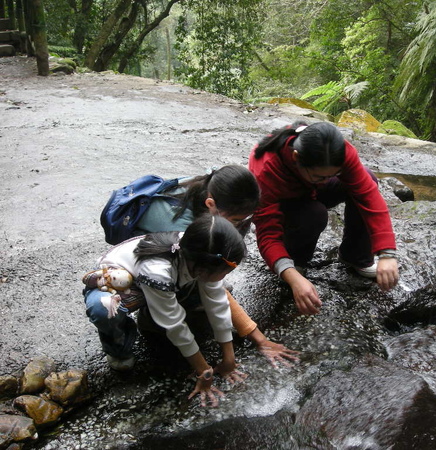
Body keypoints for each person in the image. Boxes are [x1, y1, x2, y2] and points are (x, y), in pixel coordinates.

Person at [132, 165, 299, 368]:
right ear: (210, 204)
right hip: (143, 260)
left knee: (208, 283)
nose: (240, 226)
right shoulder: (184, 231)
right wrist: (258, 338)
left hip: (185, 254)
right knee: (193, 289)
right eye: (236, 221)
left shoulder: (217, 193)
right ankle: (149, 317)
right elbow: (212, 285)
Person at [85, 215, 249, 407]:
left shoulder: (200, 250)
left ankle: (152, 316)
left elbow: (218, 303)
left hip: (165, 281)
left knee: (215, 290)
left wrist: (229, 359)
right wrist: (204, 371)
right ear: (201, 267)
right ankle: (118, 348)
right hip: (120, 283)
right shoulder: (159, 270)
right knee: (104, 308)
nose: (225, 276)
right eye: (225, 272)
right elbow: (175, 325)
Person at [249, 121, 400, 315]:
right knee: (314, 214)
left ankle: (355, 256)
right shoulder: (265, 170)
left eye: (334, 175)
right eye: (320, 176)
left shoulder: (338, 152)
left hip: (310, 189)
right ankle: (296, 262)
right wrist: (292, 276)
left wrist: (387, 253)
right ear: (296, 157)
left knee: (368, 177)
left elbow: (368, 195)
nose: (328, 180)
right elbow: (267, 233)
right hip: (290, 206)